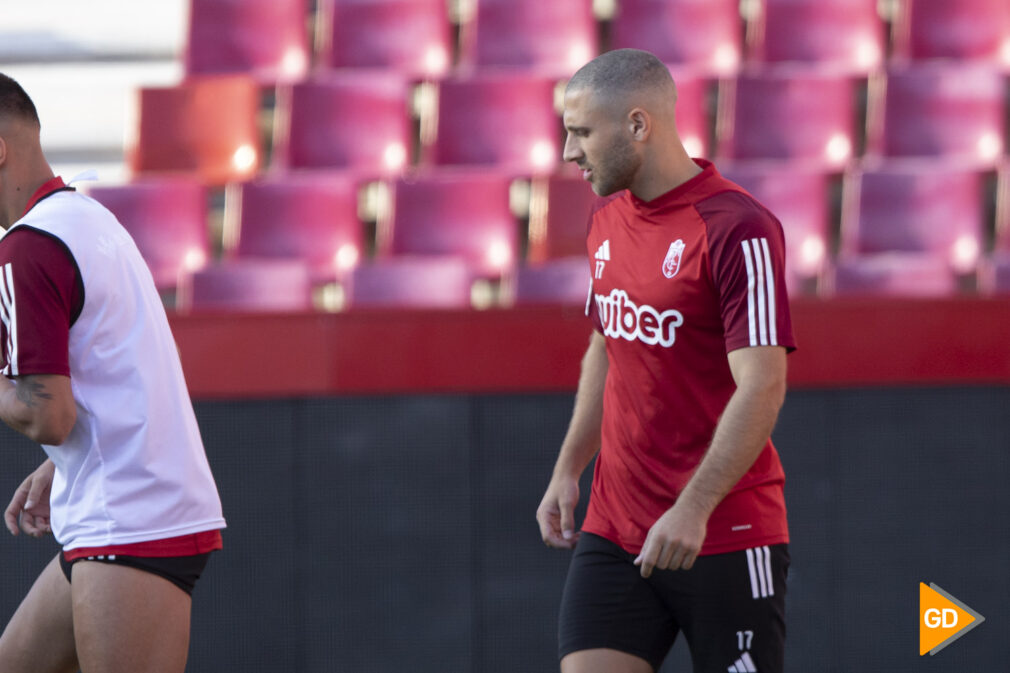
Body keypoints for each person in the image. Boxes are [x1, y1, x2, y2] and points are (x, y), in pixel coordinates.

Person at [536, 49, 795, 673]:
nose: (569, 153)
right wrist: (570, 467)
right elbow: (606, 347)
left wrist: (694, 508)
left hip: (721, 531)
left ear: (637, 125)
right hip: (615, 528)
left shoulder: (739, 227)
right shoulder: (605, 219)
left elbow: (762, 386)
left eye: (580, 133)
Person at [0, 73, 225, 673]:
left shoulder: (28, 247)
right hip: (126, 512)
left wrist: (60, 439)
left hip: (128, 524)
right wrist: (66, 460)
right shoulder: (88, 219)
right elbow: (124, 371)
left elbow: (48, 411)